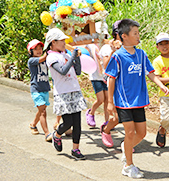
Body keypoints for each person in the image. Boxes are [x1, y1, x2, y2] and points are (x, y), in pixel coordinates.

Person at [105, 19, 169, 178]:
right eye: (135, 33)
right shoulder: (118, 57)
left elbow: (151, 72)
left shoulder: (141, 54)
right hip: (123, 102)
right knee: (130, 132)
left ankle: (126, 147)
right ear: (124, 36)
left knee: (141, 133)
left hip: (139, 101)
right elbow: (111, 79)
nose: (138, 36)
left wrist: (160, 84)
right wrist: (110, 103)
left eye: (138, 33)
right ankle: (128, 166)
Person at [45, 28, 88, 160]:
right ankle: (57, 135)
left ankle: (76, 149)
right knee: (68, 122)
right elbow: (62, 70)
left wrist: (77, 58)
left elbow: (78, 71)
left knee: (77, 122)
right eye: (61, 40)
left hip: (75, 90)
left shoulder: (66, 54)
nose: (64, 42)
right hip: (62, 93)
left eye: (64, 40)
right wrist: (73, 56)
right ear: (53, 42)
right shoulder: (51, 57)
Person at [98, 20, 122, 148]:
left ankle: (129, 142)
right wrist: (113, 51)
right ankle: (106, 129)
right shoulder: (107, 47)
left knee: (130, 116)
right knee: (119, 116)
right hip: (114, 83)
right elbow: (107, 67)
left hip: (127, 84)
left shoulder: (129, 46)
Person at [85, 21, 110, 128]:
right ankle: (91, 113)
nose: (102, 37)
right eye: (100, 34)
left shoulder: (108, 45)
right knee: (100, 99)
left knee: (107, 100)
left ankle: (107, 121)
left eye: (104, 34)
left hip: (106, 75)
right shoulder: (90, 45)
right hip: (95, 75)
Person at [27, 39, 52, 142]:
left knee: (41, 110)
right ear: (30, 52)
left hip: (45, 88)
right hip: (36, 90)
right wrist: (49, 51)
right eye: (36, 49)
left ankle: (33, 125)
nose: (39, 50)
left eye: (40, 48)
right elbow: (43, 58)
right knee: (43, 112)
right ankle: (47, 134)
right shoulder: (31, 60)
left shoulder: (44, 59)